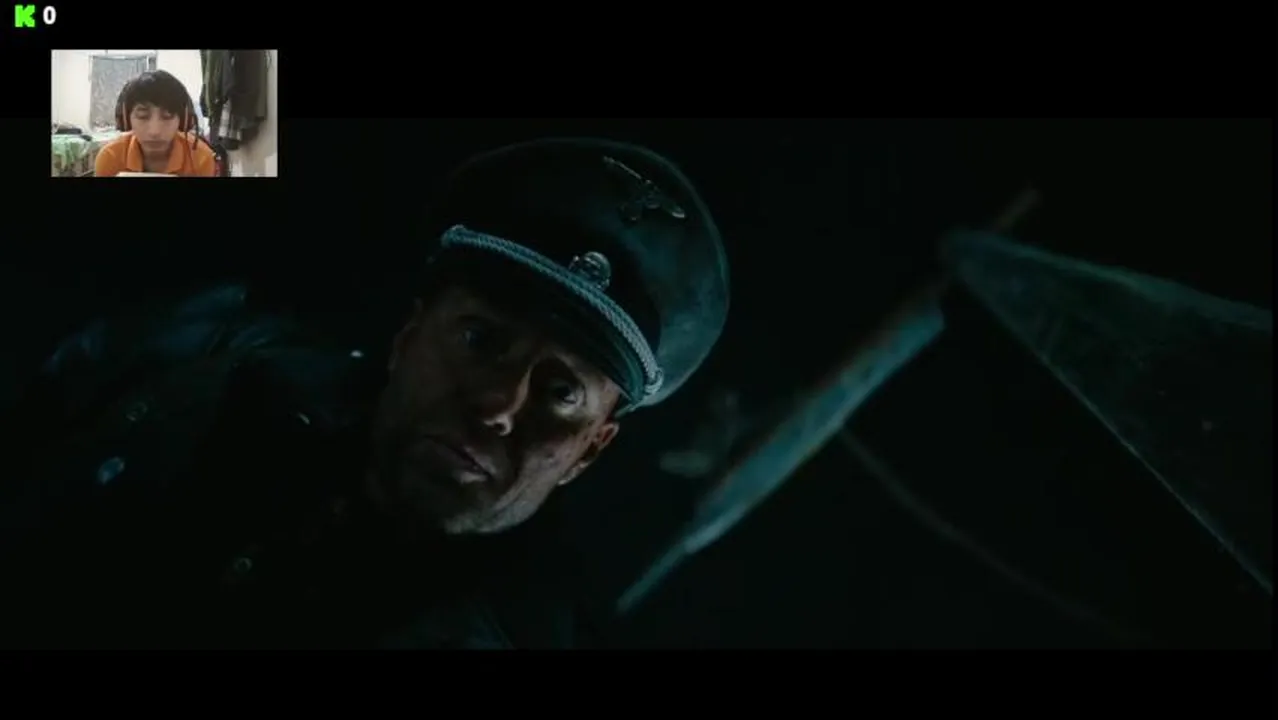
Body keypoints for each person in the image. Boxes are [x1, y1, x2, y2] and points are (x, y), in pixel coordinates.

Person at [2, 138, 730, 648]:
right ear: (410, 333)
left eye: (562, 392)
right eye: (480, 340)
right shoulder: (205, 365)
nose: (499, 406)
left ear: (590, 451)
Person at [94, 70, 216, 177]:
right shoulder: (110, 157)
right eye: (142, 116)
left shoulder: (201, 158)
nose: (155, 131)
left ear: (183, 120)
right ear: (126, 119)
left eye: (167, 116)